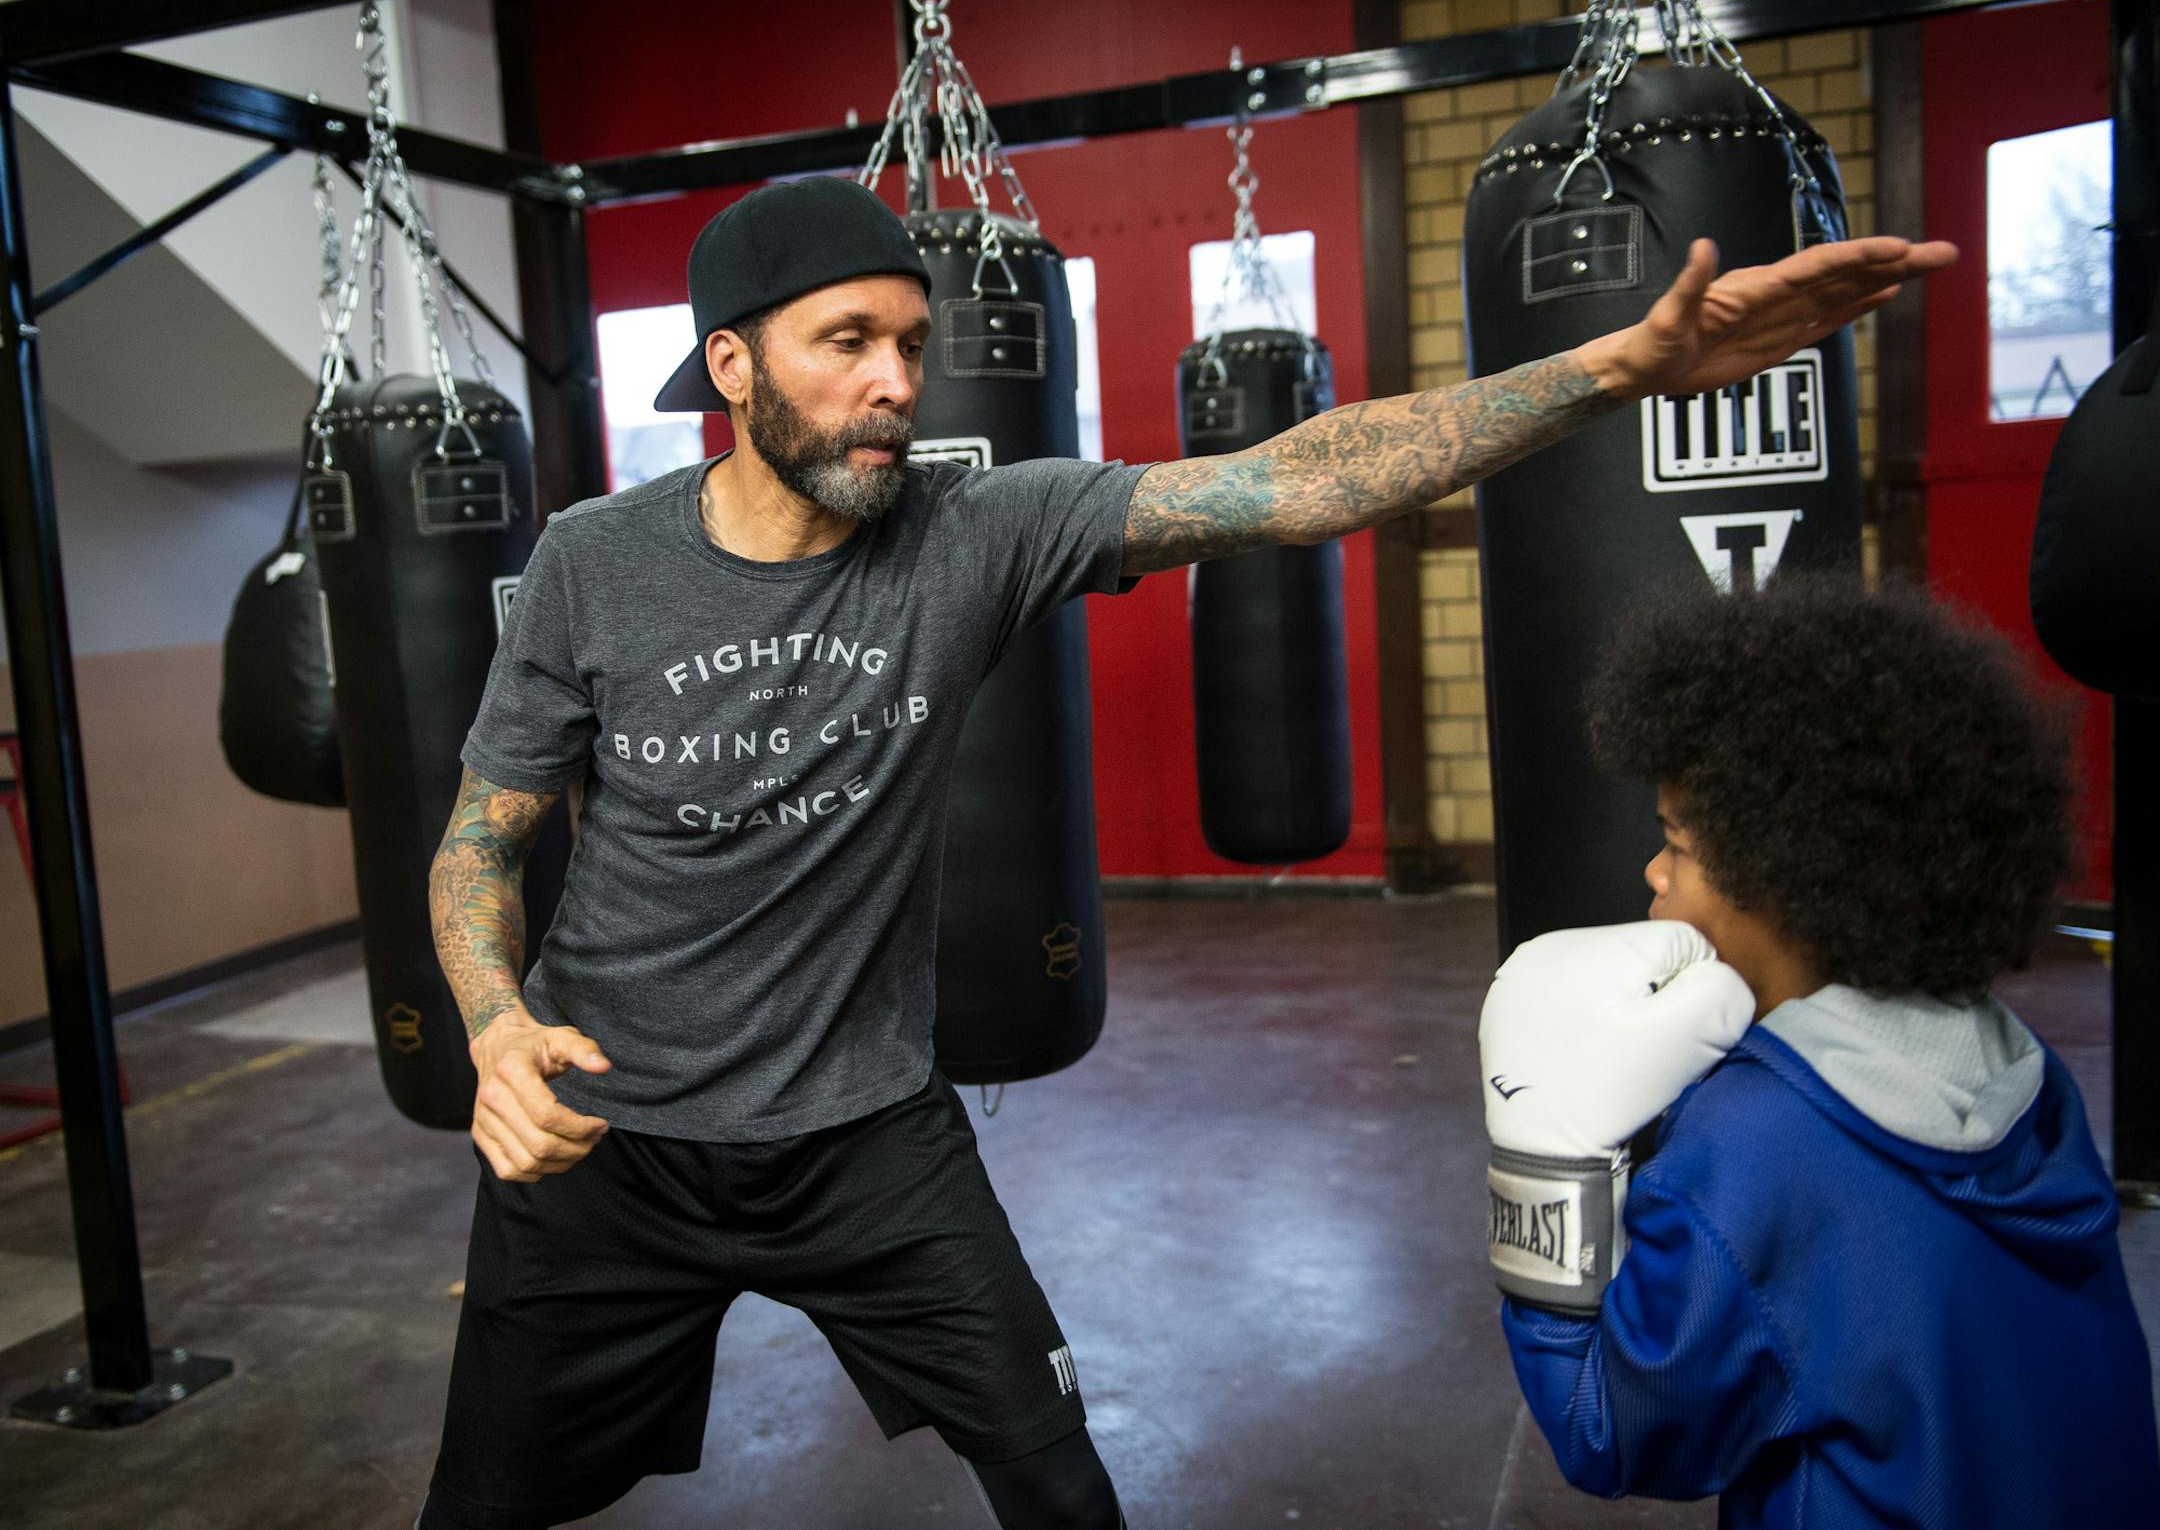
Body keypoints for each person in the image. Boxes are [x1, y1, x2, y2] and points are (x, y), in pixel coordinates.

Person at [416, 173, 1950, 1529]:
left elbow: (1299, 476)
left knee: (1061, 1476)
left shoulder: (975, 531)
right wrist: (492, 1025)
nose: (894, 381)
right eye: (846, 344)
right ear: (733, 364)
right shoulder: (593, 563)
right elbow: (480, 842)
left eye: (910, 340)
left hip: (864, 1135)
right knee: (483, 1499)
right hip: (603, 1134)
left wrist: (1622, 365)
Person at [1478, 574, 2160, 1530]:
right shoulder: (2024, 1069)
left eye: (1676, 841)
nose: (1654, 871)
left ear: (1782, 871)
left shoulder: (1752, 1146)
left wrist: (1542, 1169)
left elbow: (1609, 1429)